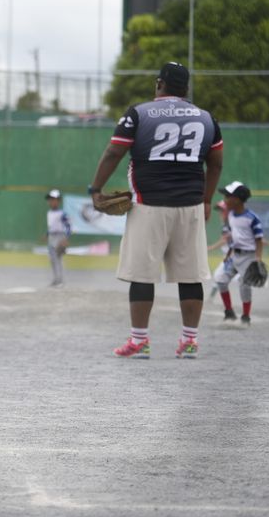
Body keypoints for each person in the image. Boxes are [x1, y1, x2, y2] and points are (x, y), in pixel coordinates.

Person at [88, 61, 223, 359]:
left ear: (159, 83)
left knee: (142, 274)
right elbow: (215, 164)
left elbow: (114, 151)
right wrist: (207, 199)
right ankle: (189, 341)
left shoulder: (139, 113)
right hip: (190, 206)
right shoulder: (206, 118)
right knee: (190, 276)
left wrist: (95, 189)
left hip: (148, 205)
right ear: (185, 88)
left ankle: (140, 341)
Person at [214, 181, 264, 325]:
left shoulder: (252, 218)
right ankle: (229, 312)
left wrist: (258, 259)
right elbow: (233, 236)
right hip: (234, 254)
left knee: (244, 285)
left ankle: (246, 316)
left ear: (237, 199)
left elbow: (259, 239)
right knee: (220, 279)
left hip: (249, 256)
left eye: (228, 196)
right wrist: (228, 254)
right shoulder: (230, 216)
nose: (225, 199)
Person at [206, 199, 232, 300]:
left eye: (223, 210)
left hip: (232, 257)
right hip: (229, 257)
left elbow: (224, 241)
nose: (220, 213)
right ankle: (211, 298)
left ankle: (211, 298)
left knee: (219, 275)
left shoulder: (229, 225)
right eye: (220, 211)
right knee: (219, 276)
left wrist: (210, 248)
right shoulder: (227, 224)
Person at [44, 189, 71, 287]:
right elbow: (51, 226)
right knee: (52, 259)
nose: (51, 201)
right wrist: (47, 234)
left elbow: (68, 226)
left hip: (60, 237)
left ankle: (60, 280)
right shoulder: (49, 213)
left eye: (53, 199)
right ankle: (56, 279)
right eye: (50, 199)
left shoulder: (62, 213)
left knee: (58, 259)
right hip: (52, 237)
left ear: (58, 201)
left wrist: (66, 238)